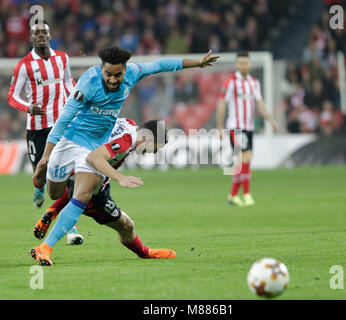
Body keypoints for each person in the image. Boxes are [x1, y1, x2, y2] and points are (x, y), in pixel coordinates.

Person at [32, 46, 219, 264]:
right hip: (71, 139)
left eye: (117, 75)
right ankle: (45, 194)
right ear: (101, 69)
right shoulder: (88, 84)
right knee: (55, 193)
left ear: (125, 71)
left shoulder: (132, 75)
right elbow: (64, 119)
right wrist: (46, 156)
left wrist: (197, 63)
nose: (113, 80)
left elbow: (160, 65)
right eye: (108, 74)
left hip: (95, 145)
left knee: (82, 194)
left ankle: (45, 247)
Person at [31, 118, 175, 265]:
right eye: (154, 149)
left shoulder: (129, 123)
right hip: (94, 185)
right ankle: (145, 253)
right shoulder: (124, 142)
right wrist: (121, 178)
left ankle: (52, 211)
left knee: (79, 191)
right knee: (126, 225)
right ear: (147, 139)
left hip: (75, 161)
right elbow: (93, 158)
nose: (150, 153)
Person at [7, 20, 83, 244]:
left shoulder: (63, 58)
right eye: (36, 32)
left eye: (44, 32)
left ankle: (71, 230)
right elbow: (12, 95)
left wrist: (79, 101)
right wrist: (27, 107)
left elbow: (69, 82)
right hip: (38, 128)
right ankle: (38, 188)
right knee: (41, 172)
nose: (41, 35)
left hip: (62, 125)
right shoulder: (25, 65)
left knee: (67, 177)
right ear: (31, 38)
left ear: (50, 36)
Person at [216, 51, 277, 207]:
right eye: (241, 62)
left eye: (246, 62)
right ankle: (247, 194)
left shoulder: (254, 83)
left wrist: (270, 120)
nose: (244, 65)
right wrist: (219, 127)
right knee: (245, 159)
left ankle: (233, 195)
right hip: (235, 127)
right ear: (237, 64)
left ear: (249, 64)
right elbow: (222, 105)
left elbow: (260, 104)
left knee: (242, 161)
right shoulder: (231, 82)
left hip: (249, 127)